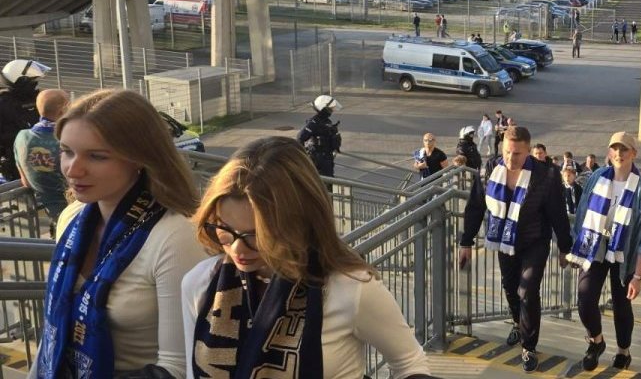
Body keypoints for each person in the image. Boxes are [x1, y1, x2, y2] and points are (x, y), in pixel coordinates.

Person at [182, 137, 433, 379]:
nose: (237, 248)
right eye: (224, 230)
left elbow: (409, 363)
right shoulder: (200, 283)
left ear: (299, 222)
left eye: (255, 235)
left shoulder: (351, 287)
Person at [31, 89, 207, 378]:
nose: (73, 170)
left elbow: (176, 368)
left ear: (139, 158)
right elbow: (52, 336)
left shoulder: (176, 237)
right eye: (67, 151)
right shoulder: (72, 217)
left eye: (97, 156)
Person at [459, 126, 573, 372]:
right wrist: (466, 242)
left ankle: (528, 346)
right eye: (508, 153)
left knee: (527, 290)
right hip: (503, 239)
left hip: (535, 240)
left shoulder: (546, 174)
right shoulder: (489, 170)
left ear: (529, 152)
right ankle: (516, 322)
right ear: (502, 149)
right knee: (510, 288)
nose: (512, 159)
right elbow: (476, 206)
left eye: (518, 154)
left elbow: (557, 213)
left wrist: (565, 247)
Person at [570, 132, 641, 372]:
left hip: (623, 253)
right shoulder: (597, 177)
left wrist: (637, 276)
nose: (619, 153)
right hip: (596, 247)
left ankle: (623, 351)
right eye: (615, 149)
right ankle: (596, 342)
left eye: (624, 149)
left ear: (633, 154)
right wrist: (579, 249)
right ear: (609, 152)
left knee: (621, 305)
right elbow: (583, 215)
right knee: (585, 298)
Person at [13, 89, 70, 223]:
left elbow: (25, 181)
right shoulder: (69, 139)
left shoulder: (22, 137)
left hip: (53, 212)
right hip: (79, 208)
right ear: (62, 111)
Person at [0, 58, 47, 182]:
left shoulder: (39, 98)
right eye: (32, 81)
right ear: (21, 81)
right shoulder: (4, 105)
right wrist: (26, 134)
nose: (35, 84)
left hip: (46, 160)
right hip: (19, 165)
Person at [296, 94, 342, 178]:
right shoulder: (314, 122)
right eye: (330, 109)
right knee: (324, 181)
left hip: (327, 157)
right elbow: (300, 138)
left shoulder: (327, 121)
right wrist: (304, 157)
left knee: (329, 180)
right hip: (318, 158)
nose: (331, 111)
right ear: (324, 109)